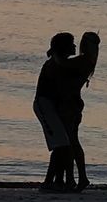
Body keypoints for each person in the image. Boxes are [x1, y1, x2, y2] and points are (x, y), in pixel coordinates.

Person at [58, 31, 100, 192]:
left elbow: (63, 63)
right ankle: (75, 178)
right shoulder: (88, 61)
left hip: (70, 105)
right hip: (74, 104)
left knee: (71, 142)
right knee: (72, 141)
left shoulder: (83, 60)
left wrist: (54, 52)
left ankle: (79, 177)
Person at [33, 33, 74, 192]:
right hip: (45, 105)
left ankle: (55, 181)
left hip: (51, 106)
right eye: (72, 44)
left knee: (61, 144)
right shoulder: (56, 64)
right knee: (61, 144)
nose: (74, 47)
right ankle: (51, 181)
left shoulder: (60, 63)